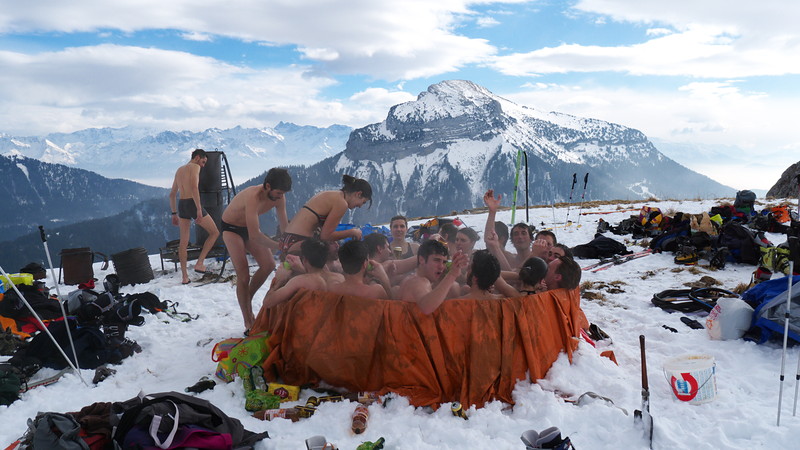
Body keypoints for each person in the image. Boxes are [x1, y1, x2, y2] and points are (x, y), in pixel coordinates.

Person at [220, 168, 291, 330]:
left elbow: (284, 226)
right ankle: (248, 319)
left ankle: (247, 297)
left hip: (248, 227)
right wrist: (278, 246)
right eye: (279, 193)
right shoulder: (253, 196)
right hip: (231, 228)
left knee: (269, 265)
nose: (281, 197)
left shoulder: (280, 197)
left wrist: (289, 244)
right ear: (267, 186)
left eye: (283, 193)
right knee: (243, 275)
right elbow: (255, 236)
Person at [279, 175, 372, 259]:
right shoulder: (341, 203)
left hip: (288, 240)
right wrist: (352, 232)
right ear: (358, 194)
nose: (360, 206)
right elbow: (326, 236)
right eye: (363, 202)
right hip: (298, 241)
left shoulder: (334, 195)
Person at [169, 149, 220, 285]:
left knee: (183, 243)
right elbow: (194, 187)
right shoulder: (195, 167)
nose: (203, 165)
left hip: (182, 205)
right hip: (192, 203)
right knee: (214, 232)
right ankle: (200, 263)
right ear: (197, 157)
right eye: (203, 162)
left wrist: (174, 213)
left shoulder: (179, 170)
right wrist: (198, 209)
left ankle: (185, 277)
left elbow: (172, 194)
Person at [398, 239, 469, 314]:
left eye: (444, 262)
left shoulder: (413, 279)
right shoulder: (417, 282)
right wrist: (452, 275)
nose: (441, 267)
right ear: (421, 260)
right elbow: (427, 308)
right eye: (437, 260)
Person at [263, 238, 329, 308]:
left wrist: (279, 280)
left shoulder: (299, 281)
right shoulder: (337, 276)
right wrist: (302, 270)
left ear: (305, 259)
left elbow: (267, 302)